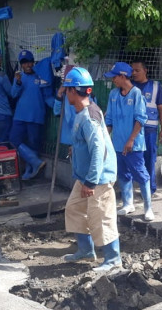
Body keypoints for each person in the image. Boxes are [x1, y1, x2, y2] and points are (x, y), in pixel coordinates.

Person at [61, 67, 121, 272]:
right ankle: (86, 250)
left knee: (101, 216)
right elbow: (87, 142)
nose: (64, 93)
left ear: (72, 91)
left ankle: (113, 259)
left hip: (98, 178)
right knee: (74, 208)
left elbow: (99, 149)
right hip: (85, 175)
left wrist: (91, 182)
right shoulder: (83, 111)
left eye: (66, 88)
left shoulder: (89, 116)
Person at [104, 62, 154, 221]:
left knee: (141, 174)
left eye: (115, 77)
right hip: (117, 143)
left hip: (134, 145)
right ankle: (128, 204)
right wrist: (106, 139)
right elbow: (109, 119)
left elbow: (141, 118)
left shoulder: (136, 94)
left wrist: (131, 140)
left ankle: (148, 207)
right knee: (123, 174)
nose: (113, 80)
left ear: (122, 76)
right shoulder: (113, 94)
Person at [10, 50, 54, 180]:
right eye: (24, 63)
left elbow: (48, 94)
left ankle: (30, 172)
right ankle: (36, 163)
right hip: (19, 116)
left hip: (36, 116)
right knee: (13, 140)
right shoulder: (19, 77)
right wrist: (17, 83)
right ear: (21, 65)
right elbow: (13, 94)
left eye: (29, 62)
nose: (27, 65)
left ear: (33, 62)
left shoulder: (41, 76)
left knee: (33, 144)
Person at [131, 61, 162, 195]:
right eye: (132, 70)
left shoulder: (156, 87)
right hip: (133, 131)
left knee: (150, 160)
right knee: (133, 159)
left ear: (145, 70)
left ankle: (149, 190)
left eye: (137, 70)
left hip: (150, 130)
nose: (133, 73)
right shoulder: (130, 86)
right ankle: (132, 188)